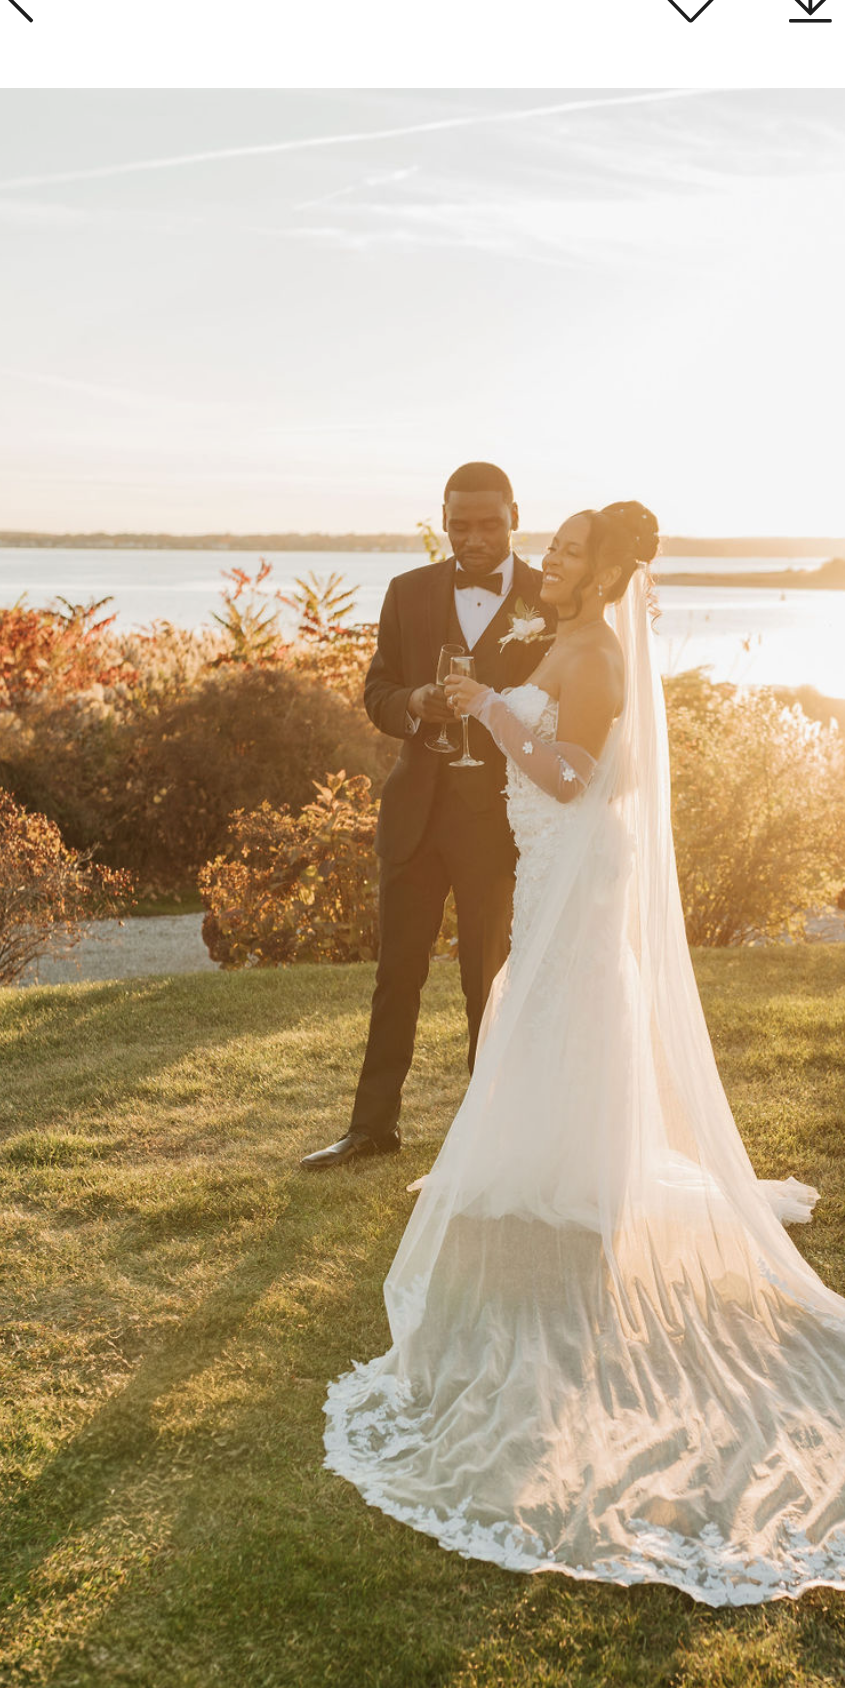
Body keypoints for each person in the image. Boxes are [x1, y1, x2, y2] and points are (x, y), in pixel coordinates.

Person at [323, 502, 845, 1606]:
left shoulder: (594, 652)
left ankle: (574, 1188)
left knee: (553, 1011)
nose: (554, 565)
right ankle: (556, 1175)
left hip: (580, 866)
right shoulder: (564, 640)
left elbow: (580, 778)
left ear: (600, 572)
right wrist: (483, 701)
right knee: (537, 1014)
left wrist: (488, 705)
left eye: (571, 552)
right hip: (554, 869)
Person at [301, 462, 550, 1170]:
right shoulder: (407, 592)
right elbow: (377, 692)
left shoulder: (549, 599)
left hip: (497, 821)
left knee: (485, 980)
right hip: (413, 815)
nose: (473, 538)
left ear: (514, 517)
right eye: (459, 524)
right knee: (396, 975)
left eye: (488, 523)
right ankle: (372, 1127)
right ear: (443, 519)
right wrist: (414, 703)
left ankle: (484, 1138)